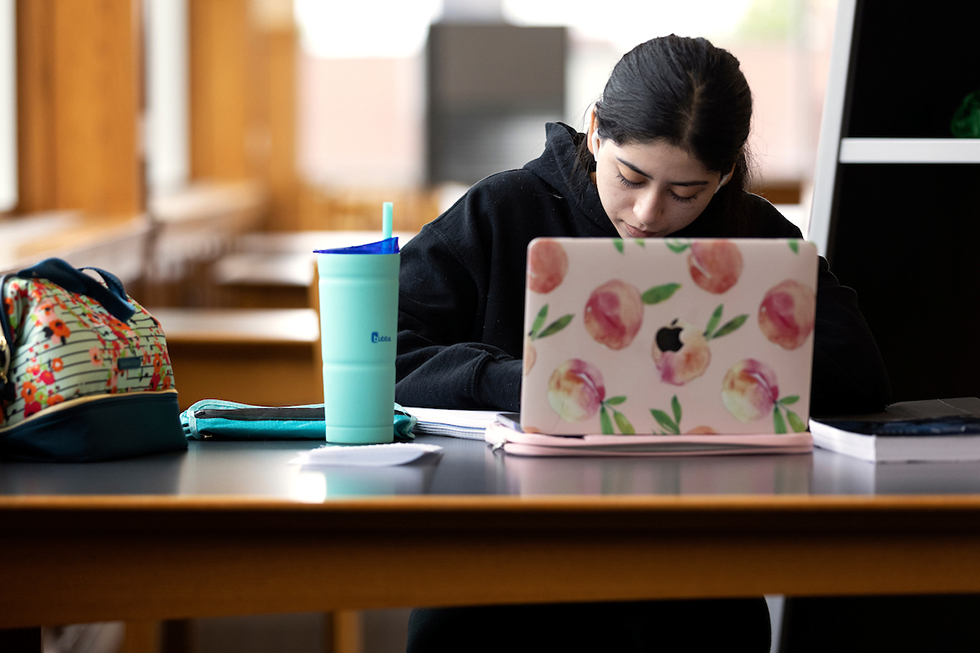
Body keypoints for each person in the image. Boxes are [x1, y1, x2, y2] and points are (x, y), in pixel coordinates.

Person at [396, 35, 891, 652]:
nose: (651, 212)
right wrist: (527, 383)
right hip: (502, 564)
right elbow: (385, 354)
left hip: (693, 575)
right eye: (631, 177)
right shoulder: (503, 210)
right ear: (597, 131)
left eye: (688, 193)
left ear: (727, 172)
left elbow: (860, 376)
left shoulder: (754, 237)